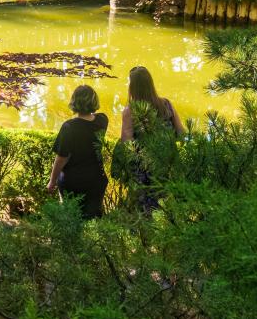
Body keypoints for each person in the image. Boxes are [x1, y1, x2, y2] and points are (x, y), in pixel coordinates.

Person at [119, 66, 185, 212]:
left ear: (132, 86)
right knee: (169, 202)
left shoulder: (130, 111)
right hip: (168, 162)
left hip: (144, 167)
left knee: (146, 208)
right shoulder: (166, 104)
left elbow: (126, 142)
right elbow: (181, 134)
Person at [47, 85, 108, 219]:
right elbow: (94, 116)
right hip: (97, 178)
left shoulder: (69, 127)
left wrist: (52, 181)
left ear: (74, 102)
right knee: (93, 218)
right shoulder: (103, 120)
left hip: (73, 181)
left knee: (71, 217)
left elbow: (62, 158)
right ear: (94, 101)